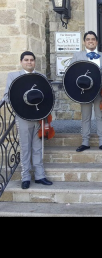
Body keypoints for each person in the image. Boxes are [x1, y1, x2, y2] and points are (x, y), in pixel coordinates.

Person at [3, 51, 53, 189]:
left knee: (38, 148)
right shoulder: (13, 76)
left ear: (34, 62)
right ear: (21, 62)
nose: (29, 62)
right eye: (26, 60)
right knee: (25, 148)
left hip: (39, 117)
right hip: (23, 116)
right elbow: (7, 96)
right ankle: (25, 177)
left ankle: (39, 176)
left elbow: (48, 96)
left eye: (32, 60)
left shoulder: (41, 76)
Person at [70, 30, 102, 152]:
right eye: (88, 39)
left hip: (100, 90)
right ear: (84, 42)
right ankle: (85, 142)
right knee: (86, 117)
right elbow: (72, 72)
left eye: (93, 39)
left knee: (100, 116)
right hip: (84, 91)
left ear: (96, 42)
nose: (90, 41)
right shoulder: (77, 56)